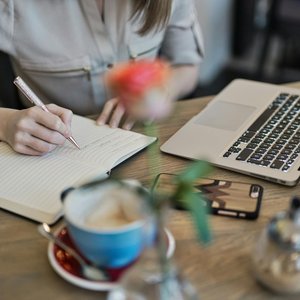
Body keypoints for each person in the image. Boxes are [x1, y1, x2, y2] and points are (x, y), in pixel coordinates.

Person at [0, 0, 204, 155]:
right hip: (54, 150)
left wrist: (162, 91)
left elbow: (186, 66)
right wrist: (6, 123)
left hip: (147, 140)